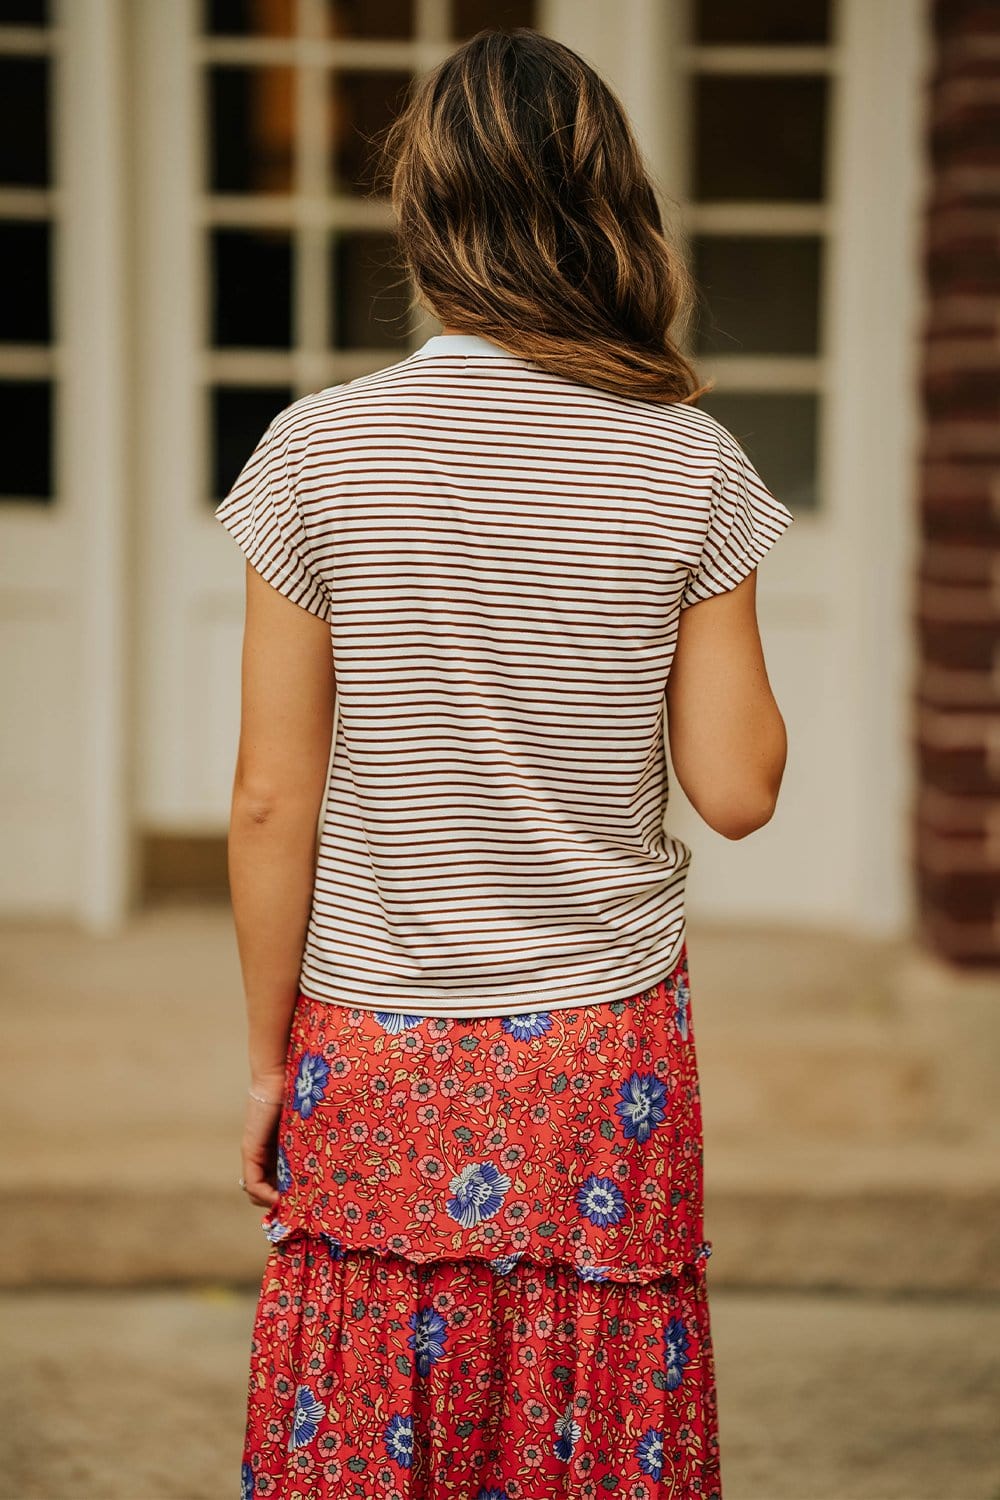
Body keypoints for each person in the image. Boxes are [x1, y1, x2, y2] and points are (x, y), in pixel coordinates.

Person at [217, 26, 793, 1500]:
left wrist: (276, 1051)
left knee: (372, 1411)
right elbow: (737, 788)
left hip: (380, 1036)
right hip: (604, 1055)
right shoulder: (685, 457)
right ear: (611, 213)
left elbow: (272, 797)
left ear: (426, 215)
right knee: (589, 1430)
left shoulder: (320, 450)